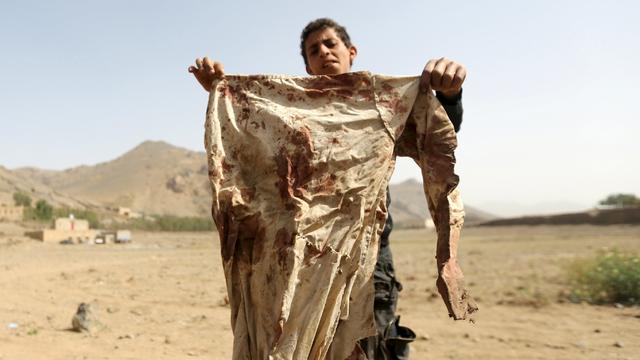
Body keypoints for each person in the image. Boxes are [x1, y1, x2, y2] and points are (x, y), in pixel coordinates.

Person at [189, 18, 466, 359]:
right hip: (298, 269)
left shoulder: (378, 104)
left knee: (368, 350)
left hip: (367, 269)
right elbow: (250, 162)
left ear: (351, 52)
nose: (323, 52)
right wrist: (223, 91)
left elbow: (435, 135)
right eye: (313, 50)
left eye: (330, 44)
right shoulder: (288, 117)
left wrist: (450, 94)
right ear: (307, 65)